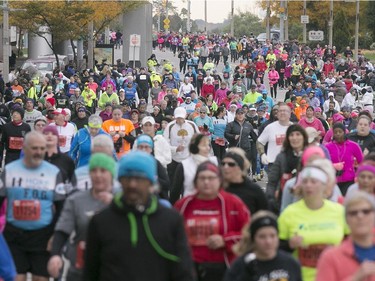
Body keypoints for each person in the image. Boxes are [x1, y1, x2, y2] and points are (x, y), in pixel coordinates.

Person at [83, 151, 195, 281]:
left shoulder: (171, 220)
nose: (132, 184)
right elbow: (90, 272)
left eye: (139, 178)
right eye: (127, 178)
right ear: (120, 181)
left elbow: (183, 271)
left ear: (151, 182)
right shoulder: (101, 222)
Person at [0, 131, 65, 281]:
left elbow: (62, 208)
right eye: (35, 148)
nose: (39, 152)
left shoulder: (54, 173)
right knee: (16, 277)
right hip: (14, 235)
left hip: (42, 236)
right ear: (25, 147)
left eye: (42, 149)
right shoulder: (9, 170)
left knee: (40, 278)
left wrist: (55, 235)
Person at [174, 161, 250, 281]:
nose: (206, 182)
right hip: (189, 266)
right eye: (202, 178)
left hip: (223, 266)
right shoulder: (183, 205)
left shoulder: (233, 203)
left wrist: (225, 240)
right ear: (195, 181)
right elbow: (170, 235)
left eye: (211, 178)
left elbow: (249, 233)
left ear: (219, 180)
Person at [48, 153, 116, 281]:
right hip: (80, 270)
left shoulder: (121, 201)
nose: (98, 175)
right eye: (94, 171)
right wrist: (55, 255)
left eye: (103, 171)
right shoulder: (76, 200)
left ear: (111, 174)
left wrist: (115, 205)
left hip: (111, 270)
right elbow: (62, 230)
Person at [278, 165, 348, 281]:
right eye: (305, 182)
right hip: (301, 277)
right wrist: (289, 245)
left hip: (335, 276)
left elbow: (352, 242)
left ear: (324, 186)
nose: (308, 185)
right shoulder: (289, 213)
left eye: (314, 181)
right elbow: (275, 249)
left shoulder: (339, 211)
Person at [224, 211, 302, 281]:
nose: (268, 241)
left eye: (272, 236)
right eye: (262, 237)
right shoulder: (241, 266)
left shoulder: (291, 263)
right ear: (253, 238)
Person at [316, 191, 375, 281]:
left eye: (366, 211)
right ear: (346, 220)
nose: (360, 216)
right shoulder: (331, 257)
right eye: (353, 213)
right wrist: (355, 278)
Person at [266, 124, 309, 212]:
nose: (294, 138)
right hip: (284, 201)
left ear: (303, 137)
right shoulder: (282, 157)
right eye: (291, 135)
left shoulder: (311, 155)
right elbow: (272, 182)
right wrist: (271, 199)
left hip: (307, 202)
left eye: (298, 134)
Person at [170, 134, 218, 204]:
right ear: (194, 147)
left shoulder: (215, 162)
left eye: (208, 145)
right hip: (190, 205)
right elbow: (175, 191)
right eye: (204, 145)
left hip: (212, 204)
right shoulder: (184, 165)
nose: (207, 148)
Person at [222, 148, 268, 215]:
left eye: (231, 164)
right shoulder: (218, 189)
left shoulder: (254, 190)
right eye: (223, 164)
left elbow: (264, 215)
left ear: (241, 167)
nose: (225, 167)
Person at [326, 122, 363, 196]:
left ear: (344, 132)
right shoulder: (328, 147)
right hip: (333, 180)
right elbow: (324, 163)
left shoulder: (353, 145)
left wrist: (358, 176)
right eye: (336, 132)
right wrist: (333, 166)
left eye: (340, 132)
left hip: (349, 180)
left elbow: (362, 162)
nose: (338, 134)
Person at [163, 107, 199, 182]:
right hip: (174, 160)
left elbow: (199, 139)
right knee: (174, 183)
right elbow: (165, 143)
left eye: (181, 118)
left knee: (187, 183)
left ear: (185, 116)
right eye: (177, 118)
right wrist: (175, 149)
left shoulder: (192, 125)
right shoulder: (170, 126)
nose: (179, 120)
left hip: (189, 159)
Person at [225, 107, 258, 180]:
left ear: (244, 115)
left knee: (245, 167)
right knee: (235, 166)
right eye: (238, 114)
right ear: (236, 115)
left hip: (246, 149)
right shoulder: (231, 124)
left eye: (242, 114)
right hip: (235, 149)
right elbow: (226, 134)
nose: (240, 115)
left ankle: (244, 181)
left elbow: (254, 137)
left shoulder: (248, 125)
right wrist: (233, 136)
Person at [257, 103, 292, 168]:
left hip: (288, 161)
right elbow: (259, 141)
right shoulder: (268, 126)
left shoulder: (292, 127)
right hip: (272, 162)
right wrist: (262, 154)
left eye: (278, 110)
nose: (277, 112)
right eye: (274, 110)